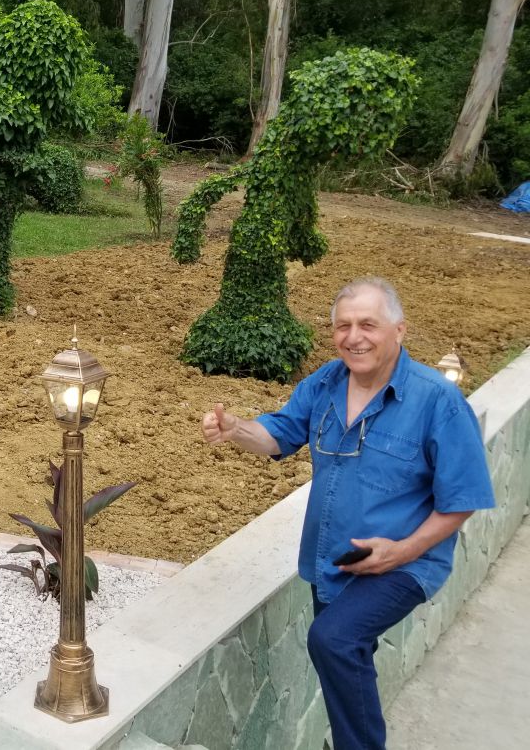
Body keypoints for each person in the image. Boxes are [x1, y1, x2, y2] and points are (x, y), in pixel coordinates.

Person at [201, 277, 494, 750]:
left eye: (368, 325)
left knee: (333, 640)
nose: (353, 337)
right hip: (335, 560)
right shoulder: (324, 383)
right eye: (343, 326)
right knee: (348, 654)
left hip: (405, 562)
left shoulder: (438, 401)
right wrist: (236, 429)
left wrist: (401, 552)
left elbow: (462, 500)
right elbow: (278, 435)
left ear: (399, 330)